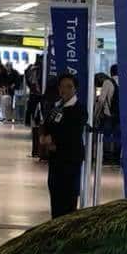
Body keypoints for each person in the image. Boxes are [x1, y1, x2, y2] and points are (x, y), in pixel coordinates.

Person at [40, 73, 88, 218]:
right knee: (55, 195)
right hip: (55, 160)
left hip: (69, 160)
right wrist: (44, 136)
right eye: (62, 86)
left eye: (69, 87)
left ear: (75, 89)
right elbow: (47, 123)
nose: (64, 90)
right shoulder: (57, 106)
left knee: (67, 198)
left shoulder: (78, 109)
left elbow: (72, 133)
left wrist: (53, 139)